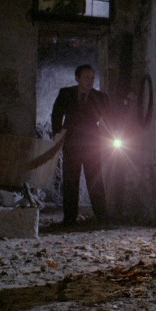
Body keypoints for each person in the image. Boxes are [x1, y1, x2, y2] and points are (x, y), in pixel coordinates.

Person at [51, 64, 110, 225]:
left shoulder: (100, 97)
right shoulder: (66, 93)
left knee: (95, 179)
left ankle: (102, 216)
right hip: (71, 142)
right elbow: (56, 114)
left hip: (92, 143)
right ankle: (69, 218)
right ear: (77, 78)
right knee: (70, 180)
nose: (90, 81)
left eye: (92, 77)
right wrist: (57, 135)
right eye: (86, 77)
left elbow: (109, 118)